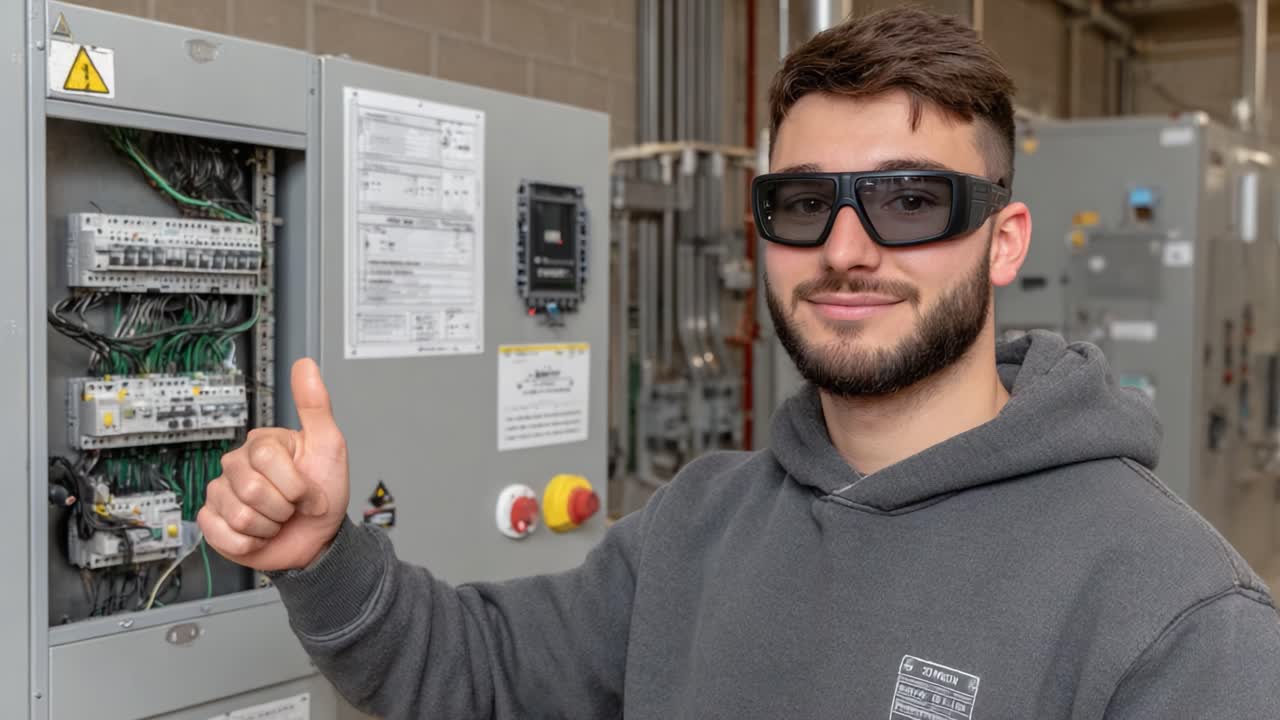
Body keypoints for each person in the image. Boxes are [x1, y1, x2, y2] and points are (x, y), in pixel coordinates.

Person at [199, 6, 1280, 719]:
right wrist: (320, 553)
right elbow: (473, 671)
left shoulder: (1174, 614)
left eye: (909, 201)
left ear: (1002, 240)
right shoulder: (701, 523)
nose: (845, 249)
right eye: (802, 203)